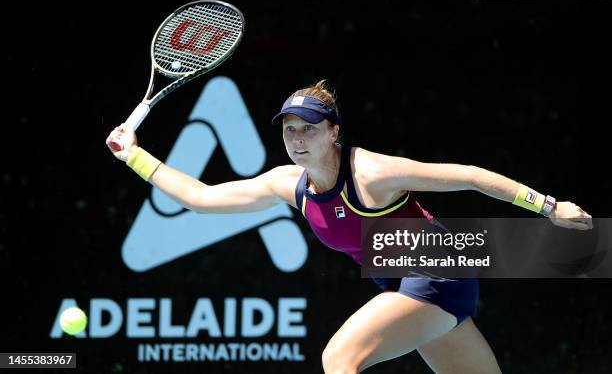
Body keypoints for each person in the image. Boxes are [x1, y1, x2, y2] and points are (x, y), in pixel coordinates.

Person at [106, 80, 593, 373]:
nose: (297, 139)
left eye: (310, 128)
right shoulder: (286, 183)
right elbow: (203, 199)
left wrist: (548, 206)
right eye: (289, 129)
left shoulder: (372, 173)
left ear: (334, 132)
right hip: (400, 280)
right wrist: (134, 157)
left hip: (437, 268)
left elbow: (469, 177)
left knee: (338, 361)